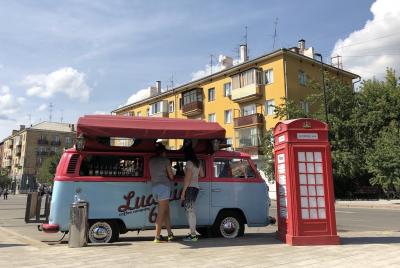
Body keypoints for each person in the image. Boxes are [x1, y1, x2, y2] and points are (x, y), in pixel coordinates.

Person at [149, 143, 175, 243]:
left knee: (165, 211)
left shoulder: (151, 161)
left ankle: (170, 234)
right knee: (161, 213)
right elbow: (171, 176)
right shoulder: (166, 160)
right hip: (164, 187)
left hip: (154, 187)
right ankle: (157, 237)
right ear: (163, 152)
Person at [181, 147, 204, 242]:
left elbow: (187, 179)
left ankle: (193, 235)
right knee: (191, 211)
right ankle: (192, 233)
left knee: (190, 212)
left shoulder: (189, 163)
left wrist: (183, 192)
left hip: (189, 188)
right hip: (196, 188)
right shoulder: (198, 163)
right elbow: (202, 175)